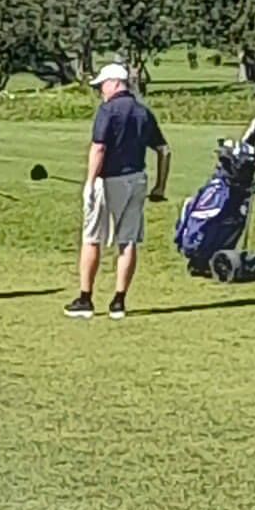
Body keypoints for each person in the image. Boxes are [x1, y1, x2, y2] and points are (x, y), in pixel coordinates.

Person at [66, 63, 171, 321]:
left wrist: (89, 183)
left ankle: (86, 299)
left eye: (102, 85)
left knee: (92, 237)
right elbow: (164, 150)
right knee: (128, 240)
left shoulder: (108, 110)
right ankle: (119, 302)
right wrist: (160, 186)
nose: (101, 90)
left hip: (107, 180)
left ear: (114, 83)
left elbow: (98, 148)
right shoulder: (143, 111)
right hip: (136, 179)